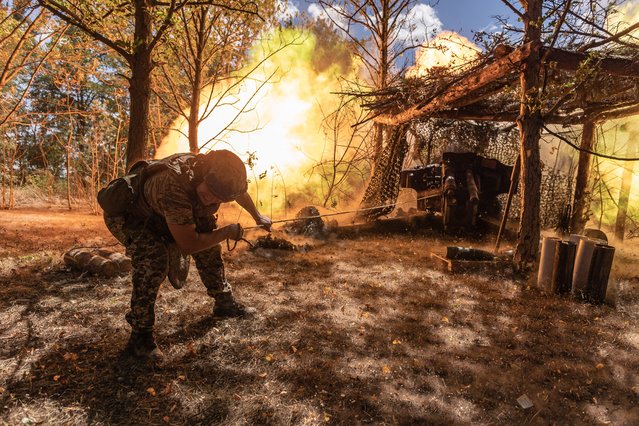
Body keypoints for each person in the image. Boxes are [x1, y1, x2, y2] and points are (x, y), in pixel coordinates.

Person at [103, 150, 271, 362]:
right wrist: (227, 232)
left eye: (220, 197)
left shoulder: (216, 173)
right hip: (131, 216)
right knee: (153, 260)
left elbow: (235, 192)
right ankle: (140, 338)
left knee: (210, 247)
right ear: (202, 175)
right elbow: (189, 244)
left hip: (164, 211)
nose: (213, 199)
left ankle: (224, 303)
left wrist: (257, 216)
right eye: (211, 191)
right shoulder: (173, 186)